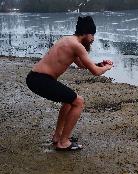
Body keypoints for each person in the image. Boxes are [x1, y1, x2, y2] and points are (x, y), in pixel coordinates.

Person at [26, 16, 113, 151]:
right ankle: (63, 142)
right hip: (40, 79)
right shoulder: (77, 46)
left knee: (68, 101)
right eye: (93, 35)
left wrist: (99, 64)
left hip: (36, 78)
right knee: (78, 101)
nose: (93, 39)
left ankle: (58, 136)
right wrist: (107, 67)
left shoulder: (68, 40)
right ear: (87, 33)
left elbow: (81, 64)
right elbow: (95, 72)